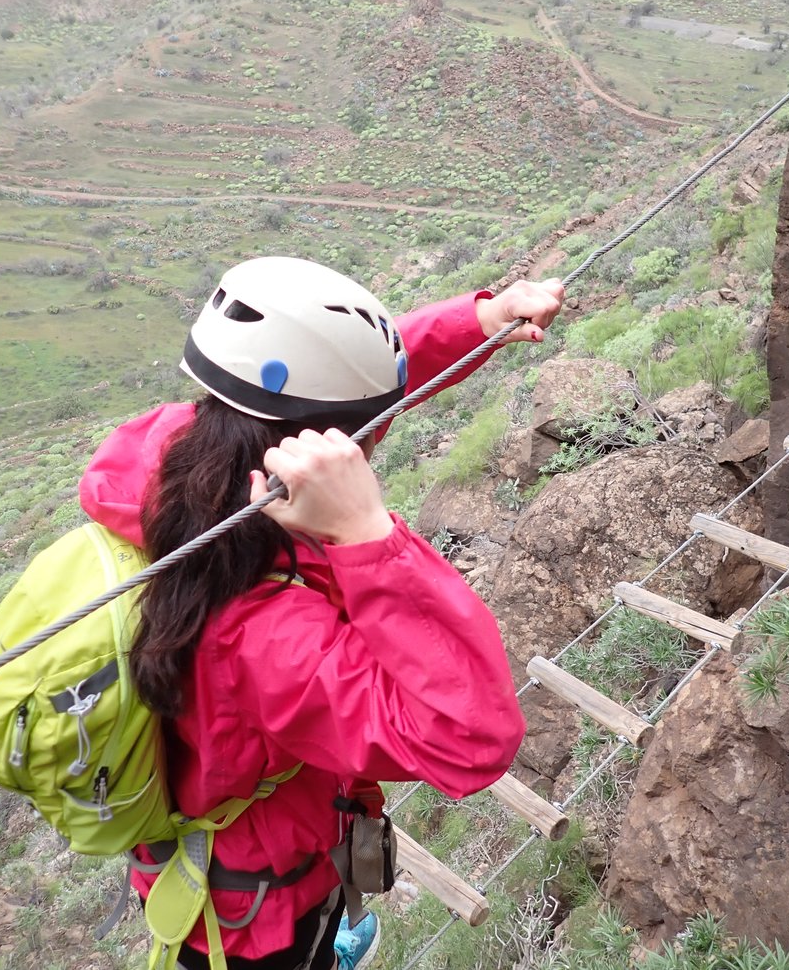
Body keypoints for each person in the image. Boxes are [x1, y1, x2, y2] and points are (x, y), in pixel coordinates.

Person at [78, 256, 564, 969]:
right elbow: (472, 736)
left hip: (243, 859)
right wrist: (369, 534)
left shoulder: (180, 450)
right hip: (256, 928)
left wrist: (481, 321)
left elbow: (319, 382)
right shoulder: (256, 629)